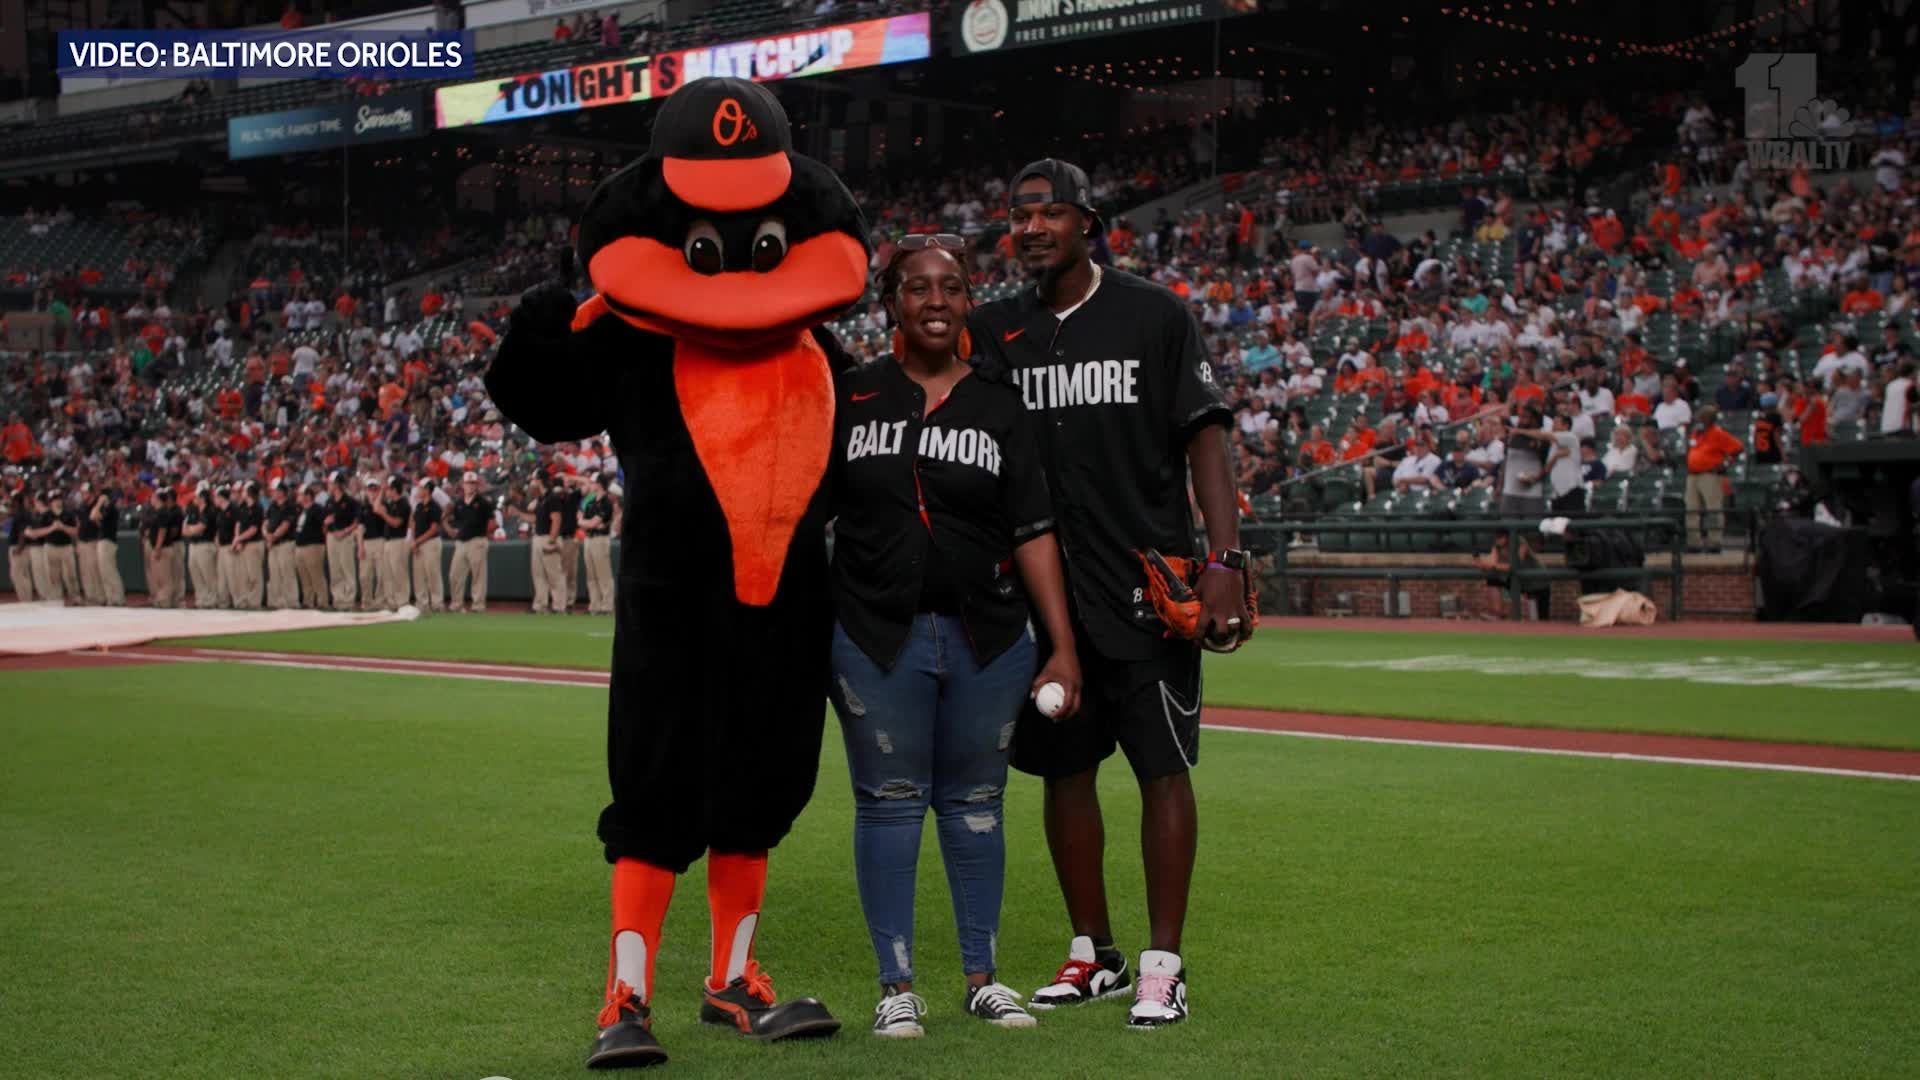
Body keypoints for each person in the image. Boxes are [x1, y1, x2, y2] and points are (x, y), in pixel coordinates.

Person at [969, 159, 1252, 1028]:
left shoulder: (1154, 314)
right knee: (1063, 773)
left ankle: (1164, 966)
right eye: (1020, 215)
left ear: (1089, 223)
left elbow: (1203, 435)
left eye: (1051, 212)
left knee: (1163, 771)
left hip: (1145, 586)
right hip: (1044, 603)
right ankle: (1094, 951)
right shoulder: (992, 329)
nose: (1032, 227)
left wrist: (1225, 557)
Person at [829, 235, 1082, 1036]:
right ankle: (895, 984)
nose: (935, 301)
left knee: (977, 805)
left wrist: (1062, 644)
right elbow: (809, 516)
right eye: (917, 288)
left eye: (951, 287)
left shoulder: (1000, 407)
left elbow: (1036, 530)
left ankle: (982, 977)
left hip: (991, 635)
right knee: (890, 803)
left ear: (970, 301)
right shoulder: (851, 396)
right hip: (876, 636)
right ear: (891, 304)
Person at [1685, 405, 1744, 552]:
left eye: (1701, 417)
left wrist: (1724, 464)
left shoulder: (1718, 433)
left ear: (1709, 419)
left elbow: (1738, 448)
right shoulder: (1696, 433)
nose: (1698, 419)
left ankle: (1714, 543)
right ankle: (1694, 543)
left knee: (1713, 510)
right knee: (1691, 510)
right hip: (1693, 475)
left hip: (1710, 475)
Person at [446, 472, 494, 613]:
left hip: (477, 540)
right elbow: (455, 521)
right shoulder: (459, 503)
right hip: (461, 542)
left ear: (477, 485)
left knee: (478, 576)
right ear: (463, 484)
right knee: (454, 575)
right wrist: (453, 530)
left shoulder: (483, 502)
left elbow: (493, 523)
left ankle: (478, 605)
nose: (470, 486)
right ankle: (456, 604)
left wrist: (484, 536)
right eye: (468, 483)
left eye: (473, 483)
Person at [30, 489, 82, 604]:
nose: (57, 502)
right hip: (51, 547)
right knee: (53, 576)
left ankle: (75, 598)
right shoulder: (46, 515)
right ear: (50, 502)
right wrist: (52, 528)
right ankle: (55, 599)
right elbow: (37, 532)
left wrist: (63, 527)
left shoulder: (69, 514)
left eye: (58, 499)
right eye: (54, 500)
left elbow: (76, 531)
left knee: (70, 575)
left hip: (66, 547)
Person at [1499, 404, 1550, 518]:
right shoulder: (1512, 435)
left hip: (1532, 491)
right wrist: (1500, 485)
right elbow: (1506, 461)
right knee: (1508, 528)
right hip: (1510, 490)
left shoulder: (1543, 435)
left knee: (1531, 531)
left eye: (1525, 417)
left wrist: (1517, 432)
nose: (1521, 420)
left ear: (1534, 419)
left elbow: (1539, 450)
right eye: (1520, 417)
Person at [579, 472, 616, 616]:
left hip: (600, 540)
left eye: (593, 482)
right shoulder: (591, 502)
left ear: (599, 484)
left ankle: (606, 606)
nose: (591, 484)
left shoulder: (606, 502)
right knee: (591, 575)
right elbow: (584, 523)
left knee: (603, 574)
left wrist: (588, 523)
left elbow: (595, 523)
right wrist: (588, 523)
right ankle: (594, 606)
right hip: (589, 539)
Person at [324, 474, 361, 611]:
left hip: (346, 536)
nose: (329, 486)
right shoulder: (329, 501)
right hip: (332, 536)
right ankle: (338, 598)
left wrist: (346, 531)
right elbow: (326, 519)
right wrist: (327, 523)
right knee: (335, 568)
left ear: (338, 484)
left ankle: (349, 599)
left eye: (331, 483)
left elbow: (356, 520)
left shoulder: (350, 501)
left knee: (347, 567)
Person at [410, 479, 445, 612]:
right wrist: (414, 541)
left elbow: (434, 528)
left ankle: (437, 603)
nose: (418, 491)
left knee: (432, 574)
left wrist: (417, 541)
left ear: (427, 490)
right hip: (418, 543)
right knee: (419, 575)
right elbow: (413, 523)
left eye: (420, 488)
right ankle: (422, 603)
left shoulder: (435, 507)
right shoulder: (418, 506)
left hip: (430, 543)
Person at [183, 484, 221, 608]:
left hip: (206, 545)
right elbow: (185, 529)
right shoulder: (193, 510)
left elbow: (201, 528)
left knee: (208, 574)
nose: (195, 498)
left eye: (197, 496)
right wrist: (192, 530)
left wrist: (192, 529)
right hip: (193, 545)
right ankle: (202, 599)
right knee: (195, 572)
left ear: (203, 497)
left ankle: (213, 599)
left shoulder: (210, 510)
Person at [264, 479, 299, 609]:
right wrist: (267, 535)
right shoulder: (272, 506)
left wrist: (273, 537)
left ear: (281, 492)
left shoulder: (290, 506)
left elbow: (286, 525)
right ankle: (276, 601)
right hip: (273, 544)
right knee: (274, 574)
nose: (272, 493)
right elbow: (265, 523)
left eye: (274, 491)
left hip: (285, 543)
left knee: (287, 572)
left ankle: (291, 601)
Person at [377, 479, 412, 609]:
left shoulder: (403, 504)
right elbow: (376, 507)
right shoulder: (391, 503)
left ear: (394, 490)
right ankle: (390, 601)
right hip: (388, 541)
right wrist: (381, 490)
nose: (386, 492)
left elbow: (396, 523)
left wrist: (384, 514)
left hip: (398, 541)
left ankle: (402, 601)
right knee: (387, 573)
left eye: (388, 489)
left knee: (399, 572)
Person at [231, 481, 266, 609]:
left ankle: (254, 602)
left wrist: (239, 539)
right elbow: (238, 524)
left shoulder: (257, 508)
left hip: (254, 543)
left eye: (244, 491)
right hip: (243, 544)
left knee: (254, 575)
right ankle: (245, 600)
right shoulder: (243, 507)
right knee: (243, 575)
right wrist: (238, 539)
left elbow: (254, 529)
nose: (242, 493)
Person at [538, 476, 571, 613]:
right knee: (542, 576)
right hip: (543, 536)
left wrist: (551, 540)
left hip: (551, 537)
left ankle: (559, 606)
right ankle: (543, 605)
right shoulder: (542, 498)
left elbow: (556, 519)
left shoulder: (553, 498)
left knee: (555, 575)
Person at [294, 484, 329, 609]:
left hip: (313, 546)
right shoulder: (301, 510)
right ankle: (308, 600)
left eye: (301, 494)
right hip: (300, 546)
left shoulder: (317, 509)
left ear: (308, 496)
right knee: (304, 576)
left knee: (316, 575)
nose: (298, 496)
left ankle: (322, 600)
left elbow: (325, 524)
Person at [357, 477, 388, 611]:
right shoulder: (363, 507)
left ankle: (380, 601)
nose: (372, 491)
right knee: (365, 575)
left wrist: (380, 494)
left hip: (380, 540)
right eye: (370, 489)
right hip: (367, 542)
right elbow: (359, 528)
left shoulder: (382, 506)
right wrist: (360, 546)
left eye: (375, 489)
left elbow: (377, 509)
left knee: (381, 574)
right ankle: (366, 602)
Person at [91, 486, 125, 606]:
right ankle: (111, 597)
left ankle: (117, 598)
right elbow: (94, 517)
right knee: (105, 572)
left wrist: (99, 503)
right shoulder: (107, 508)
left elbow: (93, 515)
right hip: (104, 541)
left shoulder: (110, 508)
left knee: (109, 571)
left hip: (108, 542)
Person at [8, 492, 41, 601]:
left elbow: (23, 532)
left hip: (19, 548)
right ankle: (26, 599)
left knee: (19, 575)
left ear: (17, 502)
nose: (11, 502)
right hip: (22, 547)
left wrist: (19, 548)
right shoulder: (23, 513)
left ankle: (26, 599)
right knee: (21, 574)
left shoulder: (21, 514)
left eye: (13, 500)